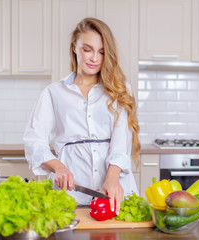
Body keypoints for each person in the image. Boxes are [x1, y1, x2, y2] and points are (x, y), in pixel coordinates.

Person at [23, 18, 140, 215]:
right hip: (71, 194)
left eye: (102, 52)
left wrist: (112, 178)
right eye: (88, 49)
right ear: (74, 48)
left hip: (114, 190)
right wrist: (58, 167)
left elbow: (122, 140)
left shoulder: (120, 89)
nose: (94, 58)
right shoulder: (53, 93)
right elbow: (34, 141)